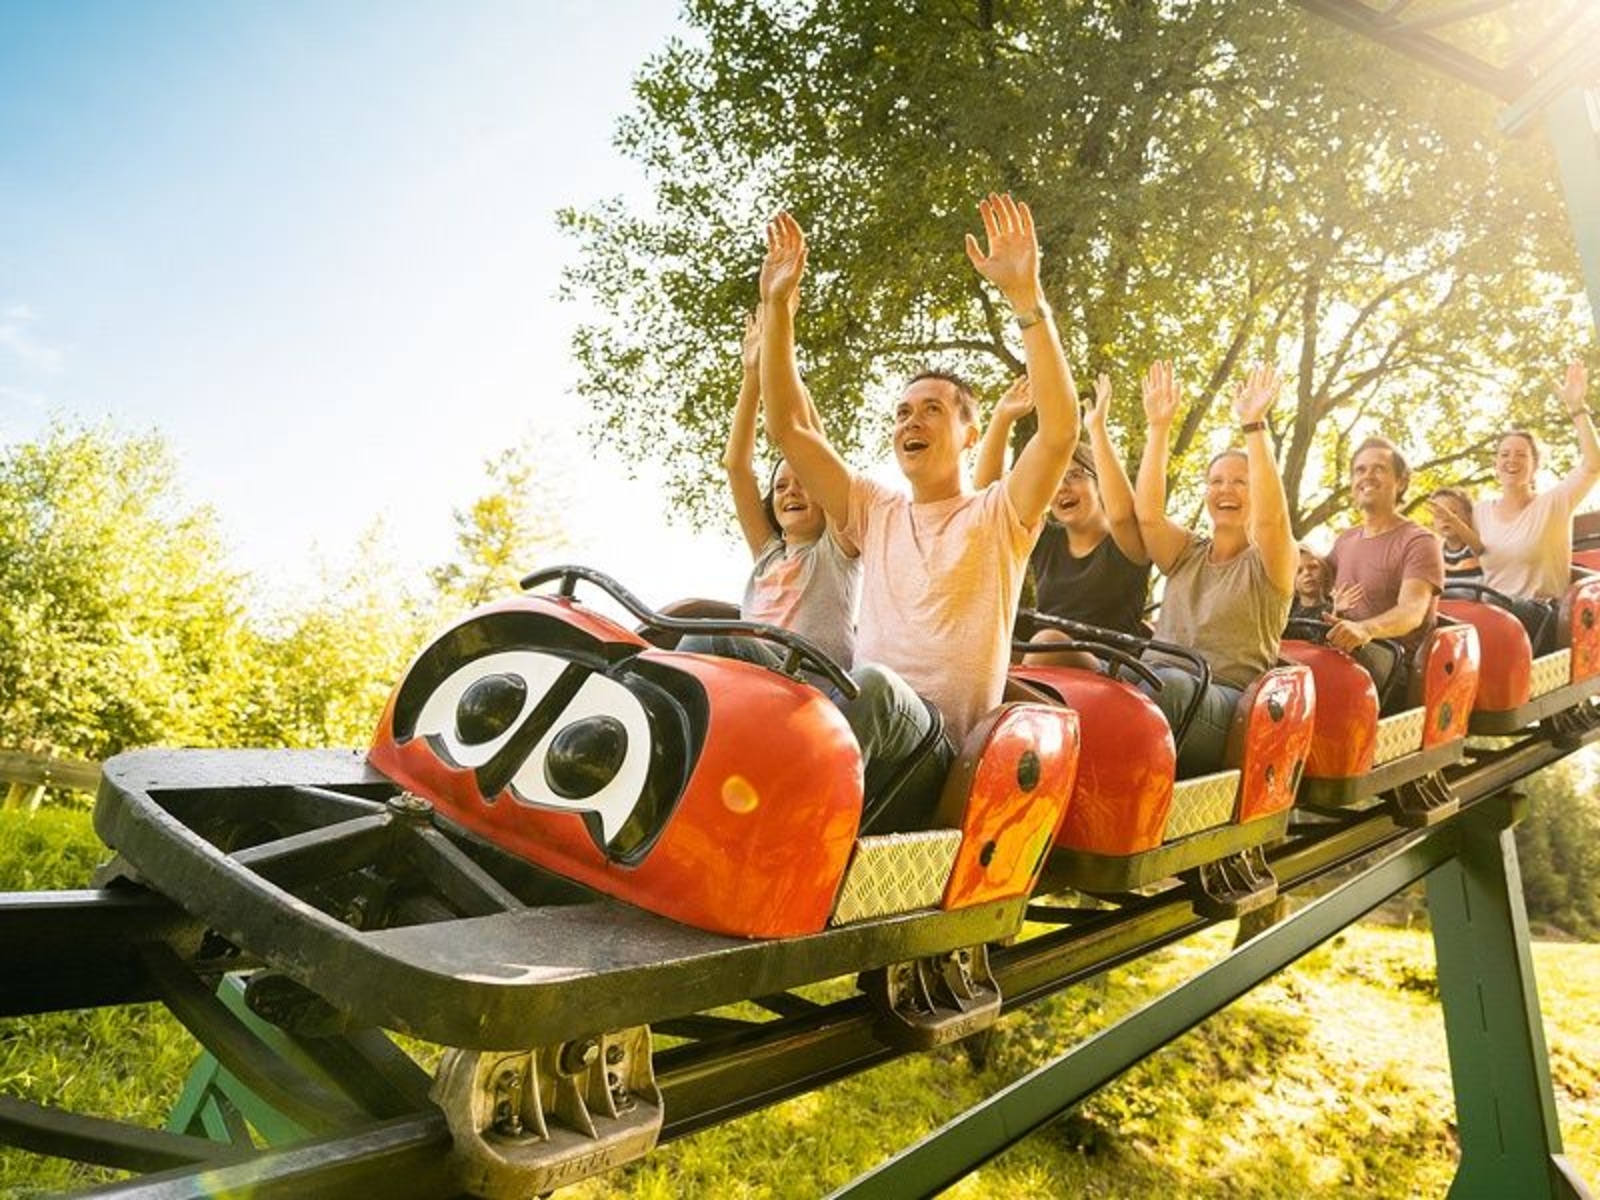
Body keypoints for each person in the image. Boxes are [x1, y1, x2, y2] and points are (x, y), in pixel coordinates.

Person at [758, 194, 1079, 808]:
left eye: (933, 409)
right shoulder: (875, 509)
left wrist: (1027, 300)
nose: (913, 420)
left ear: (969, 435)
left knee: (874, 689)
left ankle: (780, 824)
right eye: (903, 412)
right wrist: (776, 308)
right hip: (859, 739)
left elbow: (1060, 431)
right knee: (740, 659)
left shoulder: (998, 515)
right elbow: (789, 429)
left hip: (935, 758)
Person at [677, 304, 860, 673]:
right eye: (780, 486)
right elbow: (737, 466)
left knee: (709, 636)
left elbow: (813, 441)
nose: (790, 492)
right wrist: (752, 375)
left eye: (803, 483)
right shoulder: (768, 556)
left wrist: (780, 352)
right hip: (755, 677)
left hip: (805, 682)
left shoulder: (835, 552)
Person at [1133, 361, 1296, 775]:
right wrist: (1158, 427)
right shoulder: (1187, 551)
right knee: (1075, 660)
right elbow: (1148, 516)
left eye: (1241, 481)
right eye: (1217, 481)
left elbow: (1272, 522)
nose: (1226, 489)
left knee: (1166, 687)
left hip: (1225, 704)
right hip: (1156, 682)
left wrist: (1254, 426)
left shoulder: (1270, 562)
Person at [975, 372, 1151, 649]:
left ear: (1100, 483)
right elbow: (989, 504)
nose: (1062, 488)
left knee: (1049, 640)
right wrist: (1002, 418)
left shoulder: (1128, 543)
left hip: (1107, 665)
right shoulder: (1046, 540)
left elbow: (1121, 515)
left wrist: (1097, 429)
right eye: (1055, 480)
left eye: (1075, 476)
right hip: (1043, 660)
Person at [1457, 363, 1598, 649]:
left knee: (1495, 610)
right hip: (1491, 617)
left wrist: (1577, 408)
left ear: (1534, 466)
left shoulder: (1554, 503)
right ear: (1496, 465)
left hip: (1539, 618)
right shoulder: (1480, 512)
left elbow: (1593, 465)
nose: (1511, 460)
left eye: (1521, 455)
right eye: (1504, 454)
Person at [1324, 437, 1445, 706]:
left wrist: (1365, 629)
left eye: (1379, 469)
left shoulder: (1419, 541)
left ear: (1401, 482)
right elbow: (1307, 580)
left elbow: (1412, 611)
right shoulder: (1345, 539)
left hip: (1393, 665)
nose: (1367, 476)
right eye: (1360, 470)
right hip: (1341, 652)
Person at [1425, 488, 1483, 587]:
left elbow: (1481, 550)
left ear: (1469, 516)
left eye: (1452, 514)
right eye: (1438, 515)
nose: (1445, 519)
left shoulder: (1480, 547)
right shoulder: (1433, 554)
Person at [1289, 544, 1335, 621]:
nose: (1307, 573)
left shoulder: (1336, 607)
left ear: (1324, 571)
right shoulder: (1285, 614)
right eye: (1299, 571)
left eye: (1313, 567)